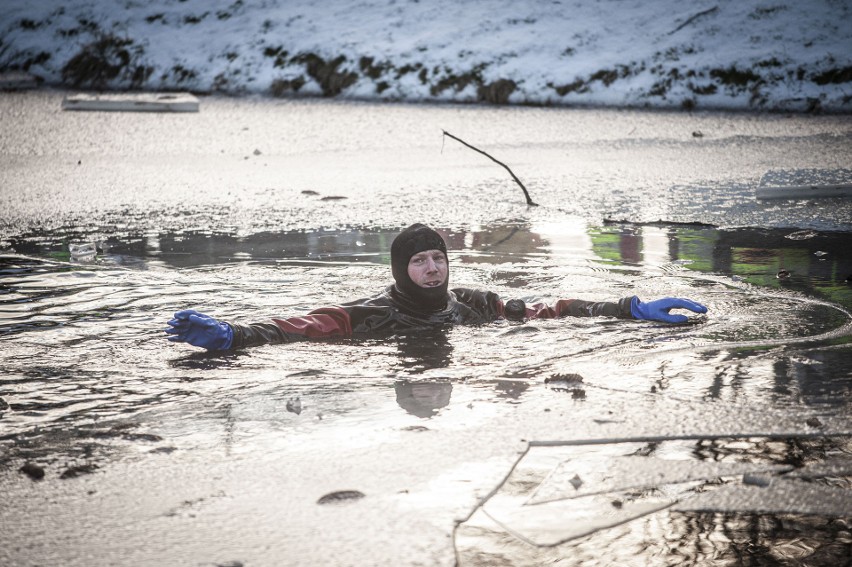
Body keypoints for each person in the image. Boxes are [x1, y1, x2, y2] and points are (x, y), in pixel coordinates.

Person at [165, 223, 708, 350]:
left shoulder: (473, 303)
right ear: (401, 270)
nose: (431, 269)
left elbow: (549, 309)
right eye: (419, 262)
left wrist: (627, 306)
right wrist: (237, 334)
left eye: (437, 259)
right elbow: (303, 326)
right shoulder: (372, 313)